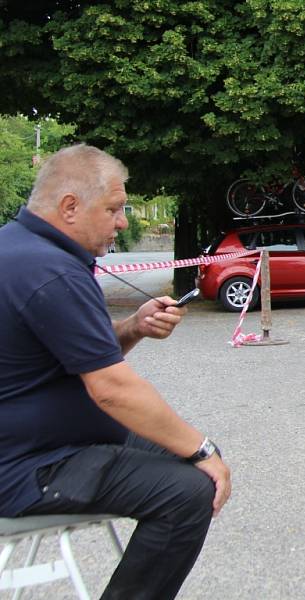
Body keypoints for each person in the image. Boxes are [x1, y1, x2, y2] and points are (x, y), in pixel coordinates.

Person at [0, 144, 232, 599]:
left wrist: (133, 327)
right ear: (70, 207)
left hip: (43, 443)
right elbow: (111, 389)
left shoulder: (22, 247)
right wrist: (201, 448)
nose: (123, 222)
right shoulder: (50, 272)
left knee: (191, 459)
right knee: (188, 490)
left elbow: (73, 353)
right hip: (28, 465)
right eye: (114, 209)